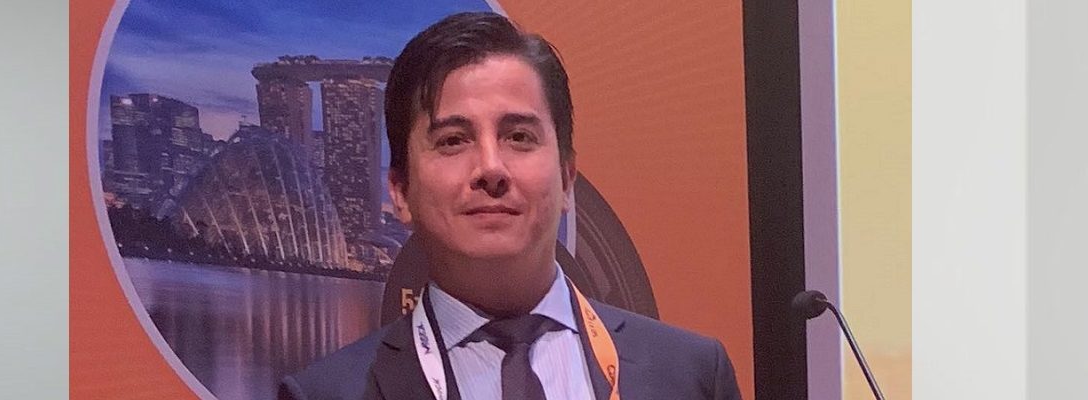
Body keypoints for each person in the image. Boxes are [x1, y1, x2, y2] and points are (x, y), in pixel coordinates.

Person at [278, 12, 741, 400]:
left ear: (566, 178)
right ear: (400, 192)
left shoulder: (692, 375)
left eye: (519, 136)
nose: (491, 167)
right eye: (453, 140)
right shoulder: (326, 393)